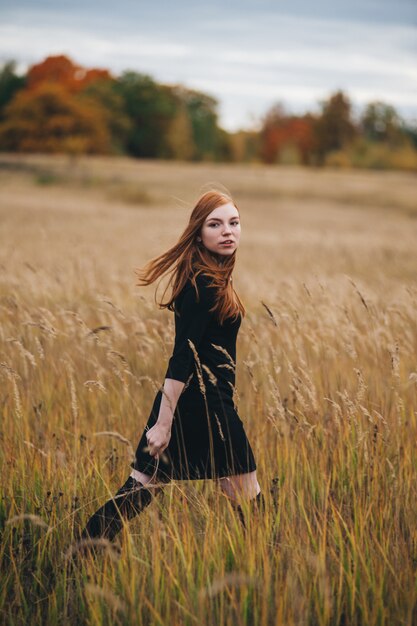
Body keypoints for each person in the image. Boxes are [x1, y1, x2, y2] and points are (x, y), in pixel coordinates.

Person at [80, 190, 264, 542]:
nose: (228, 231)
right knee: (246, 491)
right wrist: (163, 425)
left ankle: (78, 554)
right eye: (216, 224)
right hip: (206, 407)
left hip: (199, 403)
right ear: (199, 233)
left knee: (140, 490)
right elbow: (183, 356)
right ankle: (269, 564)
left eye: (234, 223)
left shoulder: (210, 276)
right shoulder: (203, 284)